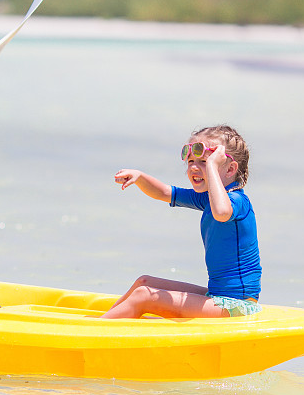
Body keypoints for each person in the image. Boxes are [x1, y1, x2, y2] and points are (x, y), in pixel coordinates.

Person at [101, 125, 261, 319]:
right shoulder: (208, 199)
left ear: (230, 169)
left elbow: (221, 212)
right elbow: (165, 193)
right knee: (144, 283)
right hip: (218, 297)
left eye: (204, 161)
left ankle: (91, 334)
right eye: (191, 160)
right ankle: (106, 321)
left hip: (238, 305)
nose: (194, 166)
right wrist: (140, 177)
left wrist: (211, 166)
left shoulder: (238, 202)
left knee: (145, 296)